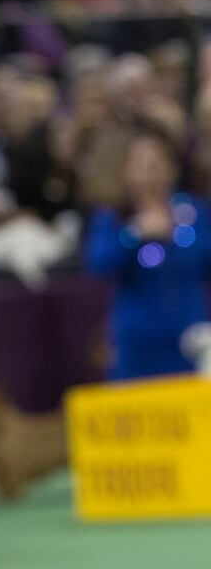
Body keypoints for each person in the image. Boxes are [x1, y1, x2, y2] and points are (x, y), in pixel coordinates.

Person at [85, 127, 211, 380]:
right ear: (126, 172)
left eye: (155, 163)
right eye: (139, 164)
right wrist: (134, 233)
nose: (149, 173)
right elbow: (98, 263)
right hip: (137, 343)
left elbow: (205, 258)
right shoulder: (114, 217)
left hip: (190, 338)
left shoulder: (193, 212)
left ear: (172, 167)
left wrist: (176, 233)